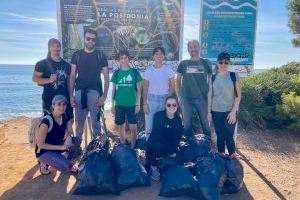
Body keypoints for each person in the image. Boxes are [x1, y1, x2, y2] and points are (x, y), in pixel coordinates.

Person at [69, 29, 109, 142]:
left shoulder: (100, 55)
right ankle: (77, 147)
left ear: (95, 41)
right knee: (79, 123)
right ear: (84, 39)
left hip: (95, 93)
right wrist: (71, 96)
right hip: (79, 92)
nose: (90, 41)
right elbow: (72, 75)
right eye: (88, 39)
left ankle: (96, 148)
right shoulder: (76, 55)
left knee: (96, 124)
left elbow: (106, 77)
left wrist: (104, 96)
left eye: (93, 39)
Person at [32, 38, 74, 135]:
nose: (56, 48)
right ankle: (51, 148)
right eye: (53, 46)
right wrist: (49, 80)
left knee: (68, 125)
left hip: (65, 100)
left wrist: (71, 97)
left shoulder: (67, 65)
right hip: (49, 101)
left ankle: (66, 147)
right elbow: (35, 78)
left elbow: (69, 83)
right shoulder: (42, 64)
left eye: (58, 46)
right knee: (50, 125)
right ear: (49, 48)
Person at [207, 52, 241, 159]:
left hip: (229, 111)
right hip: (216, 110)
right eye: (221, 62)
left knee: (229, 134)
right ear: (217, 63)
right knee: (219, 134)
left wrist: (233, 112)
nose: (223, 64)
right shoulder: (212, 77)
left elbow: (238, 96)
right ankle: (221, 153)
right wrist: (208, 112)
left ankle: (232, 154)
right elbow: (210, 96)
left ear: (229, 63)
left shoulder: (233, 76)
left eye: (226, 62)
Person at [176, 40, 212, 138]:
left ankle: (208, 145)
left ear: (199, 48)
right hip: (186, 98)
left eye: (195, 46)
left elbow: (211, 81)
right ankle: (189, 146)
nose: (193, 49)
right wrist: (179, 96)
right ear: (188, 49)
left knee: (205, 123)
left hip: (202, 98)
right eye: (191, 47)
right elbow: (178, 80)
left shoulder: (206, 63)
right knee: (187, 124)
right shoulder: (183, 63)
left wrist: (209, 96)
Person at [36, 95, 78, 175]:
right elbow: (40, 145)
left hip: (57, 145)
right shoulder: (46, 121)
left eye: (64, 104)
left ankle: (61, 158)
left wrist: (68, 135)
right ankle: (43, 161)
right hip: (44, 150)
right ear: (53, 105)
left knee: (77, 140)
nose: (62, 107)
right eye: (59, 104)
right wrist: (61, 147)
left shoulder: (65, 116)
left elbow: (70, 131)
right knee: (67, 166)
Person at [145, 95, 183, 181]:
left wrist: (172, 149)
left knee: (177, 155)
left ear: (177, 106)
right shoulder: (158, 116)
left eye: (174, 105)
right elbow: (156, 134)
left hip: (168, 144)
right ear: (165, 106)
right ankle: (153, 167)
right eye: (169, 105)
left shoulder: (178, 120)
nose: (171, 107)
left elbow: (177, 137)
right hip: (156, 143)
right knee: (159, 146)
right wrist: (167, 147)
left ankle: (162, 161)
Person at [111, 50, 143, 148]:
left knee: (133, 127)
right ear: (119, 60)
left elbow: (139, 90)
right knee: (121, 126)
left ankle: (133, 147)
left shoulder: (134, 72)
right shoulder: (116, 73)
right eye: (121, 58)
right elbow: (113, 90)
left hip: (132, 104)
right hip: (119, 104)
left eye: (125, 58)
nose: (124, 60)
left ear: (128, 59)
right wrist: (112, 105)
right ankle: (123, 146)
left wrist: (138, 104)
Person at [143, 47, 175, 139]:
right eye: (156, 53)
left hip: (164, 100)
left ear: (164, 56)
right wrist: (145, 103)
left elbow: (172, 85)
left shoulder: (168, 69)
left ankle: (162, 149)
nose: (159, 55)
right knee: (149, 126)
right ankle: (149, 148)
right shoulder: (149, 70)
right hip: (151, 100)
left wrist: (168, 99)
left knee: (163, 125)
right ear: (153, 56)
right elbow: (145, 87)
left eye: (161, 53)